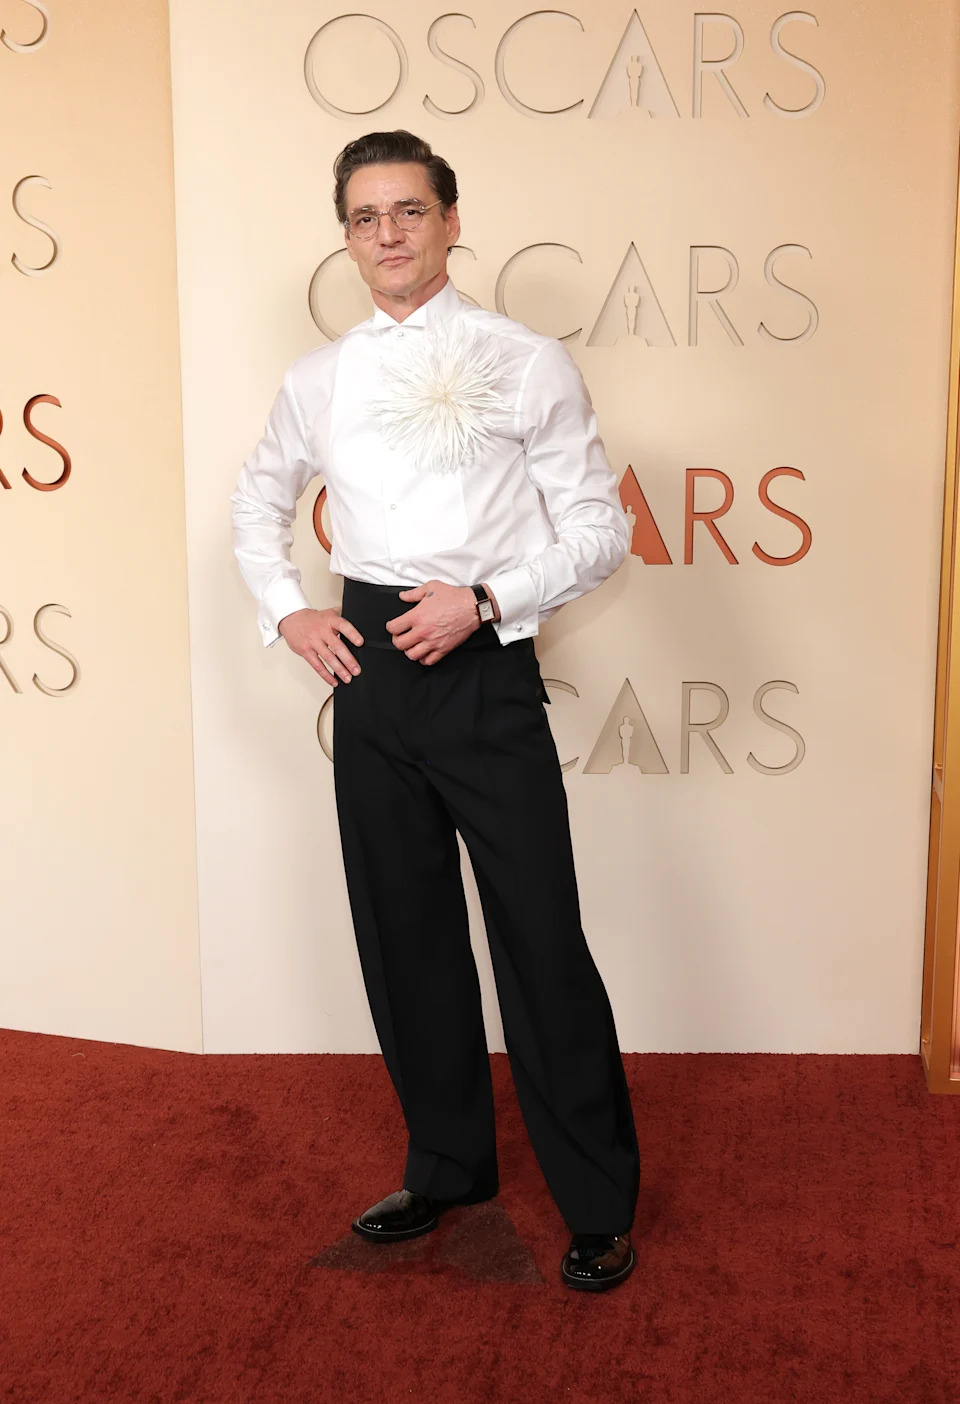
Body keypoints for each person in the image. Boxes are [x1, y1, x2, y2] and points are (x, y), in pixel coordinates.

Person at [230, 129, 641, 1292]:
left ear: (452, 221)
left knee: (540, 941)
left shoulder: (527, 360)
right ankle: (449, 1162)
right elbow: (257, 503)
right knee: (403, 935)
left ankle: (598, 1200)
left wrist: (491, 599)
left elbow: (598, 529)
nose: (389, 235)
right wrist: (290, 614)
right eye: (366, 218)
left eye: (409, 211)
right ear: (348, 238)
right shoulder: (316, 379)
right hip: (369, 674)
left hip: (483, 665)